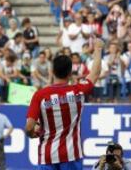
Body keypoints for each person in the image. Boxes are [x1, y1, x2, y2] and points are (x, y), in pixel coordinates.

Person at [25, 39, 103, 169]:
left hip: (47, 156)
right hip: (71, 155)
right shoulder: (78, 91)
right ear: (69, 72)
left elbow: (29, 127)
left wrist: (32, 133)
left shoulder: (40, 95)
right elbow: (95, 74)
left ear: (52, 71)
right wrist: (98, 49)